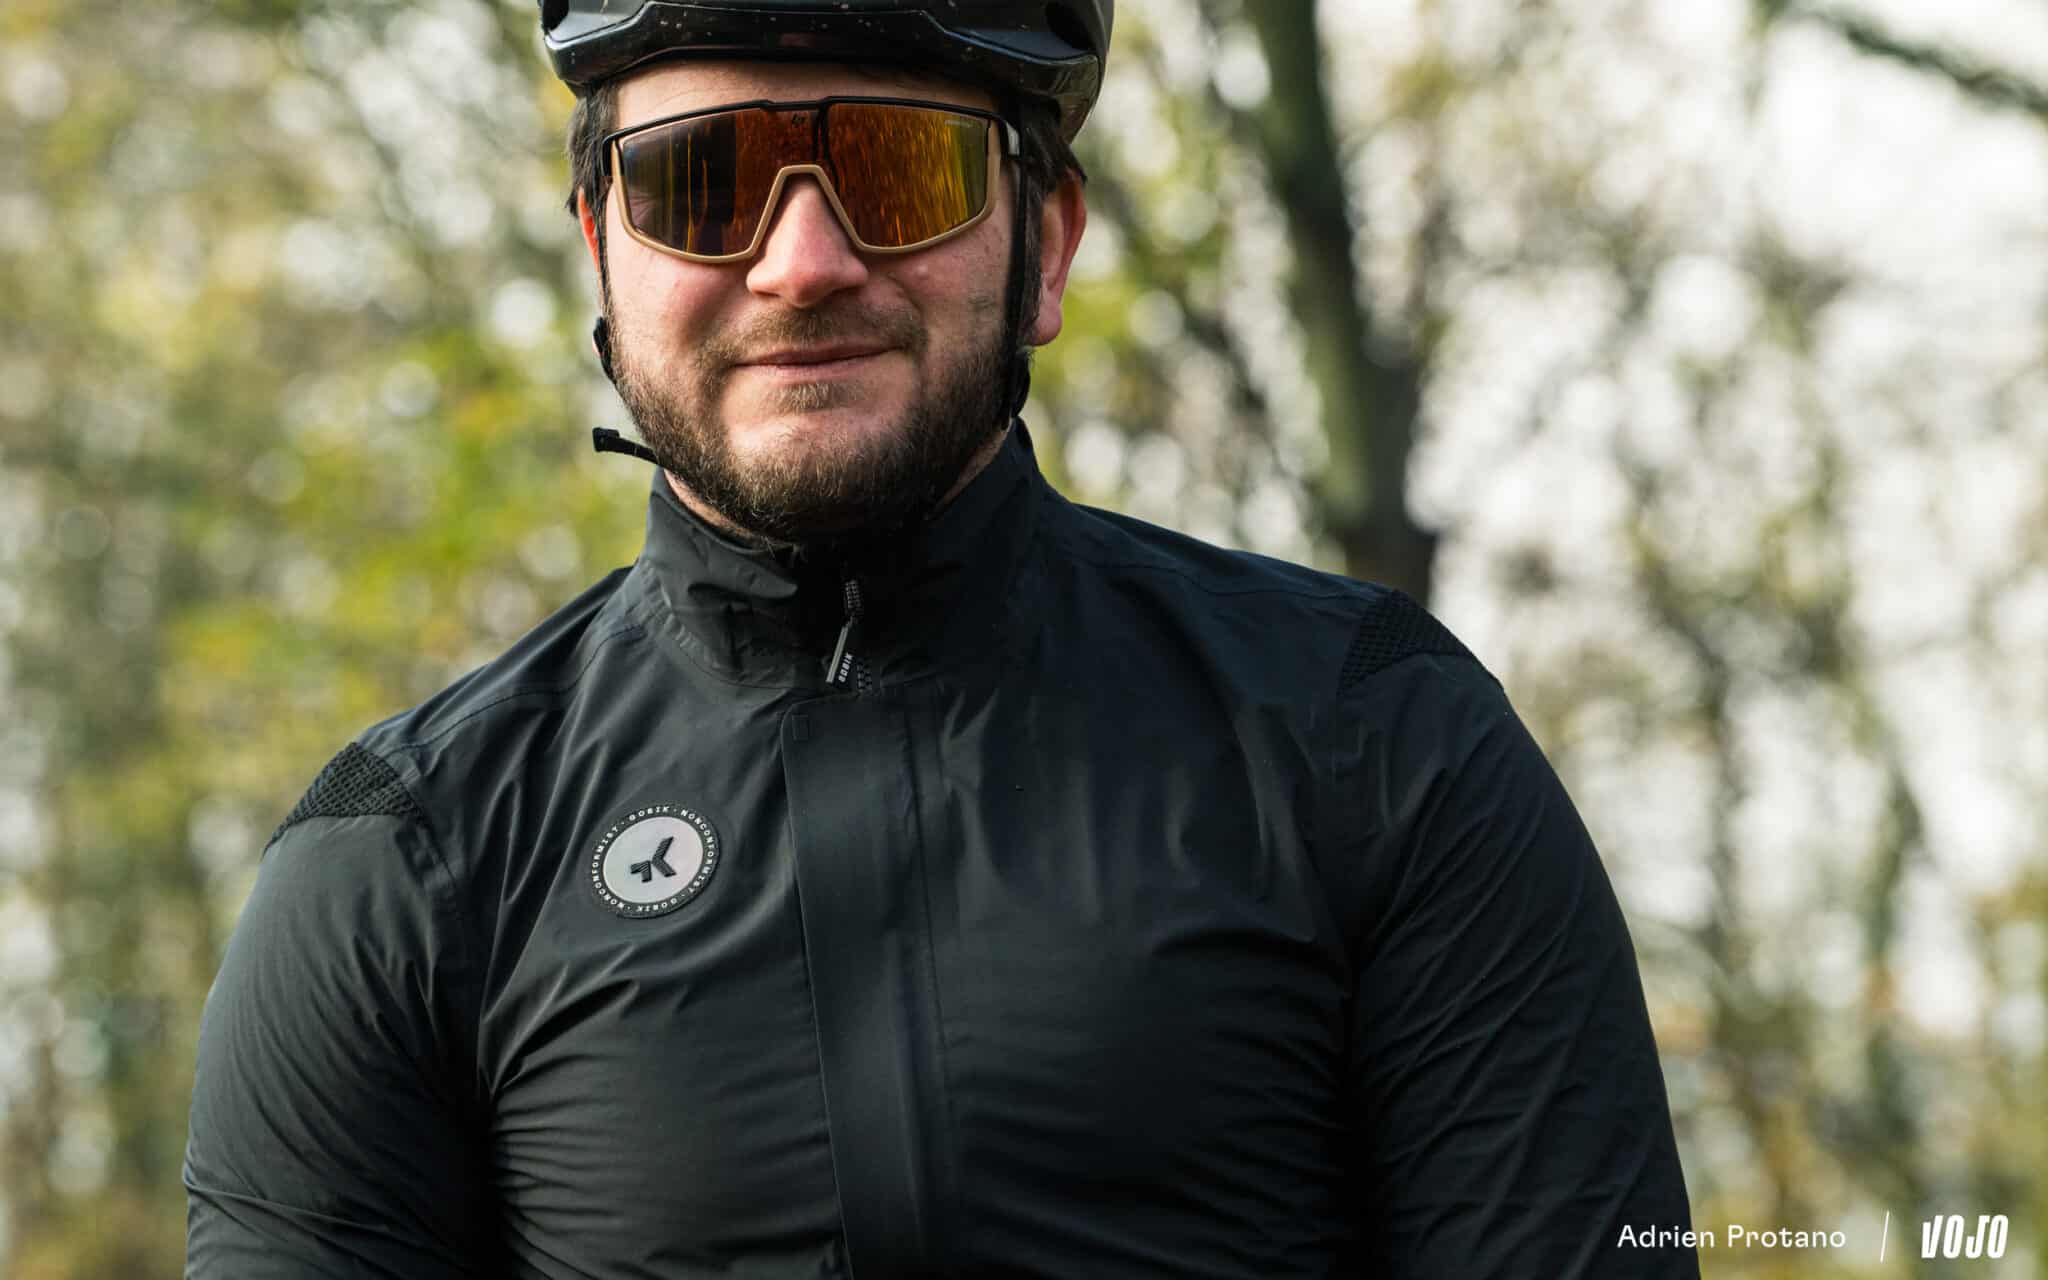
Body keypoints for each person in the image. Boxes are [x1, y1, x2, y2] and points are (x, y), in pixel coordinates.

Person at [183, 2, 1701, 1276]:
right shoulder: (405, 858)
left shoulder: (1373, 738)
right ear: (601, 248)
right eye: (701, 180)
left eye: (899, 169)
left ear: (1047, 245)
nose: (803, 262)